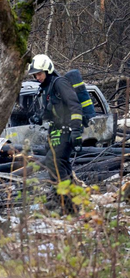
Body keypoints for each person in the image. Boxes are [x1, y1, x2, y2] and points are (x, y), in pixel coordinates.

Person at [25, 54, 83, 185]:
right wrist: (39, 117)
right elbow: (53, 111)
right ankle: (71, 198)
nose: (37, 77)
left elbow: (75, 105)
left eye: (39, 74)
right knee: (61, 163)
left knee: (54, 162)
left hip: (67, 131)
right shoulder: (47, 88)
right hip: (56, 132)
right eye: (35, 75)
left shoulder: (60, 83)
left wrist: (75, 130)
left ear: (47, 70)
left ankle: (62, 197)